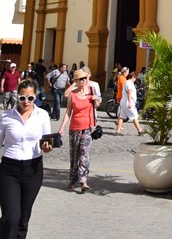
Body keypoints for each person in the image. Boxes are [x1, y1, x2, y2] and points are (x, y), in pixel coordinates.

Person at [0, 77, 53, 239]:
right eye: (22, 98)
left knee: (23, 219)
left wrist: (47, 147)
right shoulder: (6, 117)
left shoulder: (42, 115)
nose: (26, 101)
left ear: (35, 97)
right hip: (9, 169)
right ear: (17, 96)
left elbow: (47, 141)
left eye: (30, 98)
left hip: (33, 169)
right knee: (11, 217)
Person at [58, 68, 101, 192]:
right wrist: (62, 127)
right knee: (74, 154)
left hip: (88, 128)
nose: (83, 80)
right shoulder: (72, 94)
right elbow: (68, 112)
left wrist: (95, 99)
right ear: (75, 81)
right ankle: (73, 178)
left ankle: (83, 180)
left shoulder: (91, 91)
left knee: (83, 153)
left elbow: (97, 105)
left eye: (85, 78)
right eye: (80, 79)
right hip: (74, 128)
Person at [115, 71, 143, 136]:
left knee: (121, 116)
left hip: (123, 101)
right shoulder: (130, 83)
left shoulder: (126, 82)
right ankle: (140, 131)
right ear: (133, 77)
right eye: (135, 78)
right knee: (134, 116)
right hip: (128, 102)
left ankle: (118, 131)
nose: (135, 80)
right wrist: (130, 102)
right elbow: (129, 92)